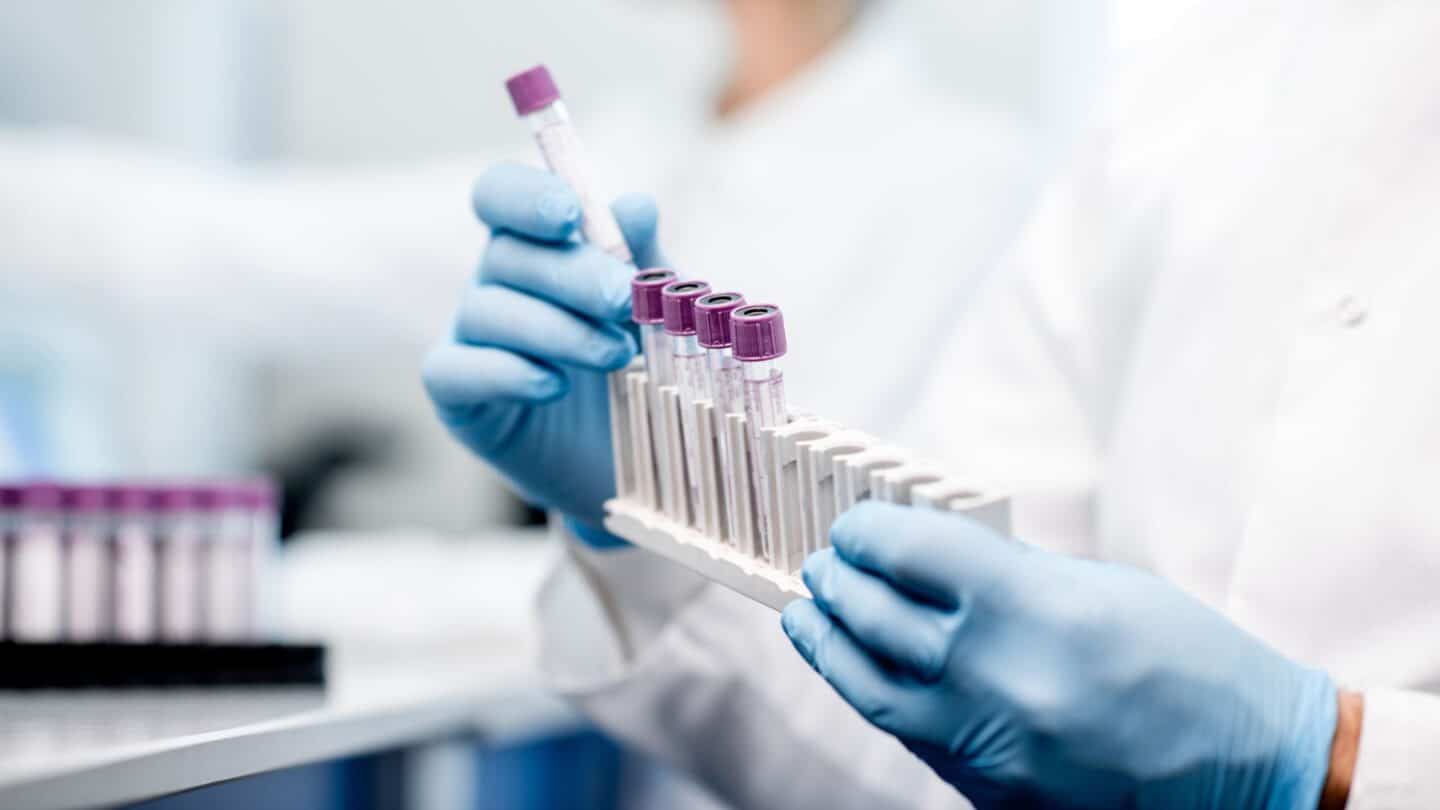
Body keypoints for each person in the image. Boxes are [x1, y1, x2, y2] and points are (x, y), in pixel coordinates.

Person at [425, 1, 1440, 808]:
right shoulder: (1192, 87)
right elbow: (923, 718)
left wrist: (1344, 760)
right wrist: (647, 521)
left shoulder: (960, 159)